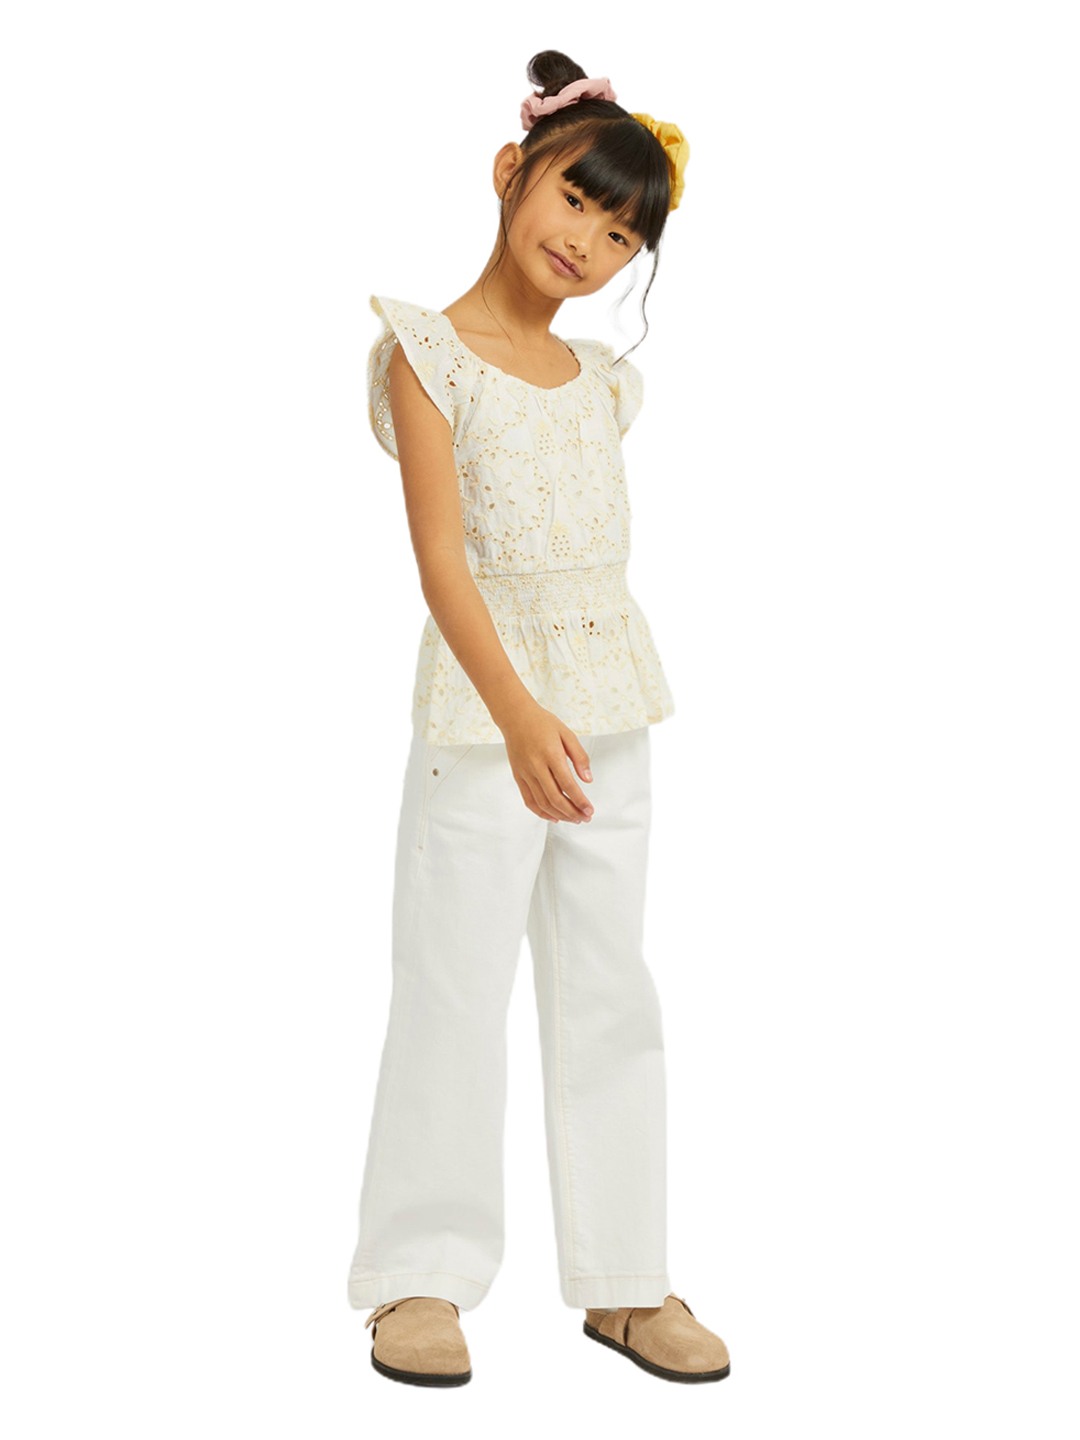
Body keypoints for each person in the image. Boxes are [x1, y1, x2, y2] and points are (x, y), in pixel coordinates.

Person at [346, 49, 730, 1388]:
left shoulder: (604, 383)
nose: (591, 243)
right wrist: (515, 715)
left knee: (609, 985)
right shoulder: (428, 356)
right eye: (577, 200)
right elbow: (445, 562)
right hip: (483, 716)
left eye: (623, 234)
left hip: (610, 704)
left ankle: (624, 1279)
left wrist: (565, 714)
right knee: (453, 986)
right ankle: (418, 1275)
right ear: (513, 172)